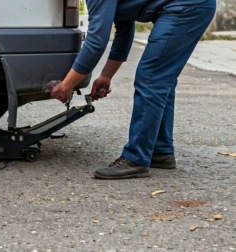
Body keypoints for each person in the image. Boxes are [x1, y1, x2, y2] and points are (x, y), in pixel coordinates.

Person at [49, 0, 216, 179]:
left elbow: (96, 41)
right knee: (160, 77)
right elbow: (124, 28)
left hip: (187, 7)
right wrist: (106, 76)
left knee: (151, 77)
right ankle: (160, 150)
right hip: (191, 6)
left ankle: (136, 158)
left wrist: (66, 85)